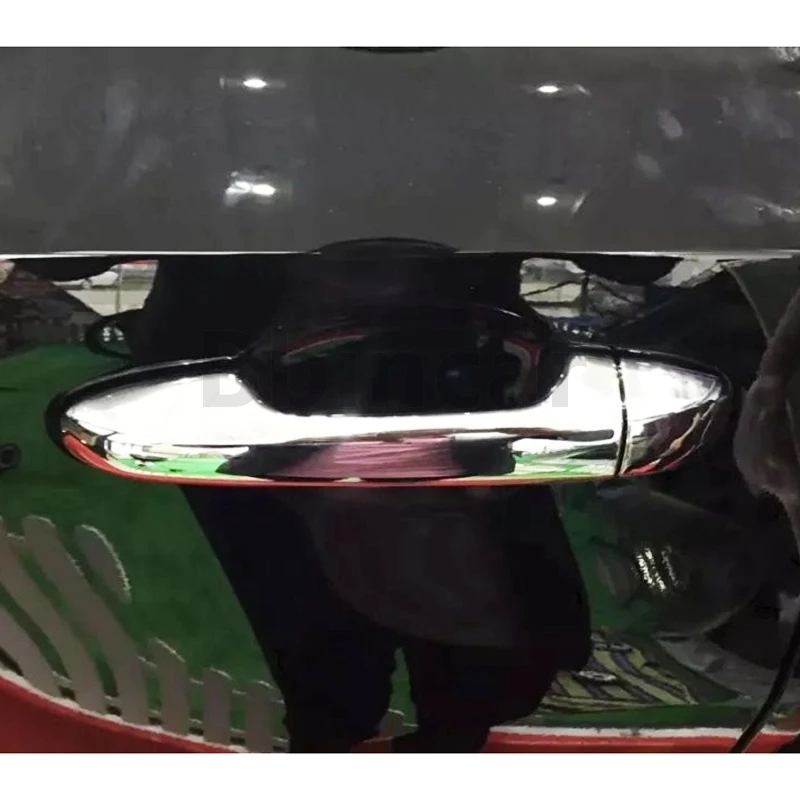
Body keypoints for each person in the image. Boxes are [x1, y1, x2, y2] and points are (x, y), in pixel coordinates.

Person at [128, 243, 592, 752]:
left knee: (459, 651)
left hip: (441, 384)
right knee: (328, 648)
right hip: (264, 398)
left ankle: (419, 726)